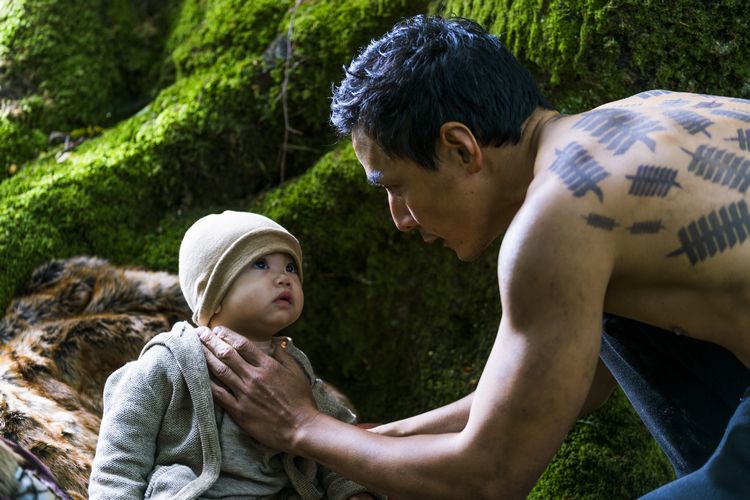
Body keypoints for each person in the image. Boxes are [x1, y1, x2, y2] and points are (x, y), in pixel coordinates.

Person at [198, 15, 750, 499]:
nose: (399, 218)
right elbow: (558, 387)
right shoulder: (642, 120)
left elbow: (490, 477)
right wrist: (369, 440)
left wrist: (300, 426)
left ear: (460, 148)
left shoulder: (558, 218)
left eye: (394, 186)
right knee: (616, 321)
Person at [89, 210, 379, 499]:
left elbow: (335, 440)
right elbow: (119, 463)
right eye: (260, 264)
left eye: (291, 267)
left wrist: (354, 492)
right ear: (212, 295)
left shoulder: (293, 366)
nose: (284, 278)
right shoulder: (168, 361)